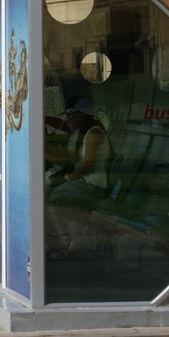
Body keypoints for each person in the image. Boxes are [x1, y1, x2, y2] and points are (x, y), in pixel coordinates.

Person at [45, 96, 111, 258]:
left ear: (81, 115)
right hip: (83, 181)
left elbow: (88, 163)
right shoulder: (81, 133)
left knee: (54, 199)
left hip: (94, 184)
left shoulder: (94, 133)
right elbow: (73, 158)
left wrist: (68, 178)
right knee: (47, 195)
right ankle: (64, 240)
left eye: (71, 116)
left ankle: (68, 241)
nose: (68, 120)